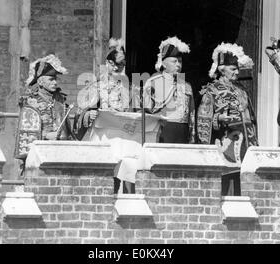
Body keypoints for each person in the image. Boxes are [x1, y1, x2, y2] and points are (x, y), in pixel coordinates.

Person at [74, 38, 137, 194]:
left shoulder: (130, 87)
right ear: (107, 63)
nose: (117, 67)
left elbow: (136, 111)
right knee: (107, 173)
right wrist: (89, 114)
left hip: (123, 135)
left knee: (128, 169)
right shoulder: (96, 85)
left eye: (121, 64)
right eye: (114, 64)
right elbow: (80, 112)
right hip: (104, 135)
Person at [197, 42, 257, 196]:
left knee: (244, 186)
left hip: (246, 144)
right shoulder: (212, 90)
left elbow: (251, 118)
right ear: (222, 69)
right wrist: (218, 118)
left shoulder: (242, 90)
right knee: (226, 187)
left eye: (237, 68)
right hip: (226, 143)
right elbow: (203, 120)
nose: (237, 72)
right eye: (233, 69)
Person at [143, 36, 195, 144]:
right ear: (164, 63)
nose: (178, 65)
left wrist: (192, 137)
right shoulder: (153, 82)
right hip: (162, 132)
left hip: (182, 134)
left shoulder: (187, 86)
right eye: (174, 61)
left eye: (180, 61)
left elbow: (192, 115)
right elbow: (145, 111)